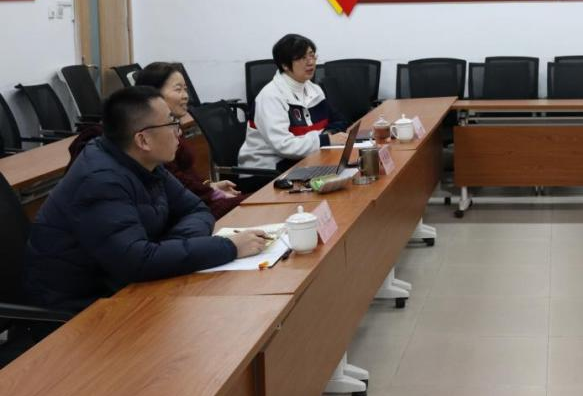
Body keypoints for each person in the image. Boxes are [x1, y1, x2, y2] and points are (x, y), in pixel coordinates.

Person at [24, 87, 267, 313]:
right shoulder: (99, 181)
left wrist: (165, 250)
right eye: (172, 123)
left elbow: (197, 209)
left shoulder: (143, 162)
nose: (179, 132)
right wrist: (228, 247)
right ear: (143, 140)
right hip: (80, 310)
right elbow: (136, 262)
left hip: (123, 287)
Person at [66, 62, 248, 219]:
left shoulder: (168, 129)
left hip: (188, 206)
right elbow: (175, 193)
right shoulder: (147, 141)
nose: (186, 96)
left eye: (185, 89)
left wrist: (209, 187)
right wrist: (210, 195)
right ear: (153, 94)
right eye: (178, 89)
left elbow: (180, 187)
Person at [238, 33, 348, 170]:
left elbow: (339, 120)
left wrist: (328, 135)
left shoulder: (314, 89)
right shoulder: (270, 97)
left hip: (305, 160)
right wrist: (325, 140)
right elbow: (284, 146)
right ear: (285, 65)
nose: (311, 62)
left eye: (312, 55)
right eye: (302, 58)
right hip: (268, 170)